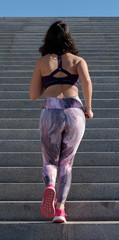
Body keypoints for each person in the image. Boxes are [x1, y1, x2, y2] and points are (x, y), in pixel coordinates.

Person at [29, 20, 94, 223]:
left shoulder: (42, 62)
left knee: (50, 160)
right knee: (66, 163)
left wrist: (48, 83)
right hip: (74, 111)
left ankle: (49, 185)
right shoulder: (78, 61)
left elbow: (33, 95)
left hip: (51, 110)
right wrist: (88, 108)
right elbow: (86, 82)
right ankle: (60, 210)